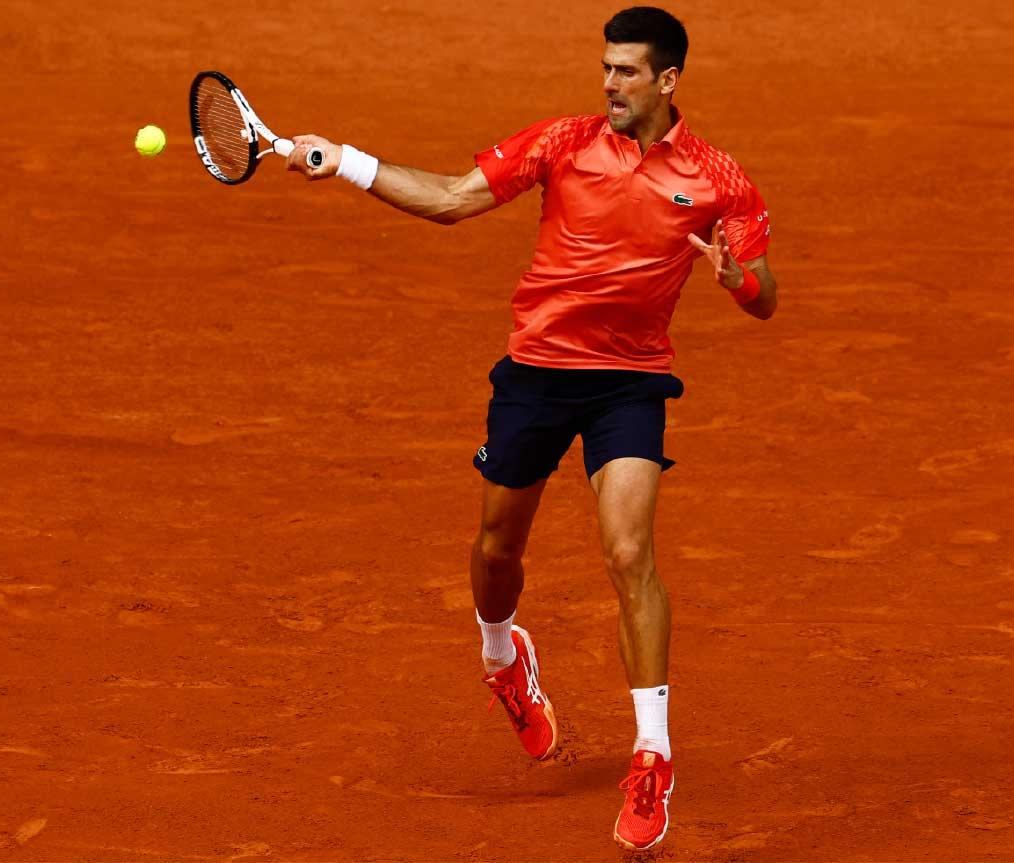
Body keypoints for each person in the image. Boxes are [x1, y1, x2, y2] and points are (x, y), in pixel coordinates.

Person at [286, 6, 776, 851]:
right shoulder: (562, 142)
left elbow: (766, 293)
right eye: (606, 67)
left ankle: (652, 754)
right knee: (496, 550)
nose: (609, 83)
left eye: (626, 70)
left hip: (629, 382)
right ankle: (502, 657)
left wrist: (737, 281)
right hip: (537, 374)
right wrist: (346, 162)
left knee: (629, 551)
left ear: (667, 80)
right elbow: (452, 199)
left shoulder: (717, 179)